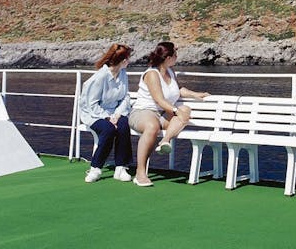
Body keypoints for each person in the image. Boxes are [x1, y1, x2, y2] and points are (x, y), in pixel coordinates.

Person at [128, 42, 210, 187]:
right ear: (168, 58)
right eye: (175, 55)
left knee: (185, 110)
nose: (177, 57)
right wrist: (175, 110)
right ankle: (140, 173)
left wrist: (196, 94)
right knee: (152, 126)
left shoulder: (170, 72)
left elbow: (178, 90)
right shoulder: (152, 74)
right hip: (143, 112)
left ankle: (165, 140)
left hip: (162, 114)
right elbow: (159, 99)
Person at [79, 43, 134, 183]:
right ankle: (95, 168)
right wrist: (108, 118)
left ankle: (120, 168)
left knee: (123, 126)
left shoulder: (122, 74)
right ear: (122, 61)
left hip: (114, 112)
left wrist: (117, 114)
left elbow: (125, 97)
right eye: (128, 58)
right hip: (94, 114)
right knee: (108, 130)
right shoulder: (100, 77)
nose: (129, 61)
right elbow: (91, 104)